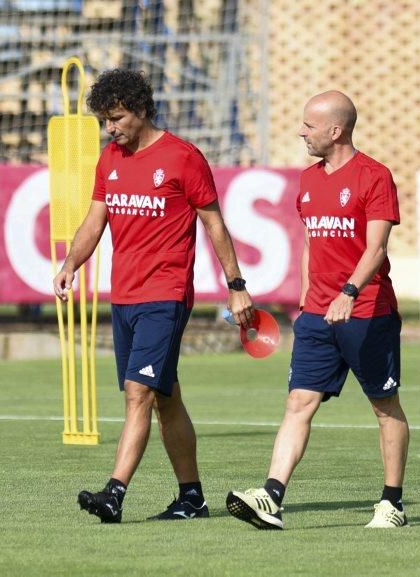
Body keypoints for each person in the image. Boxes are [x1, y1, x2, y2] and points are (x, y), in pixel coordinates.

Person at [53, 69, 254, 523]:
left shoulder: (183, 158)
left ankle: (114, 492)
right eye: (105, 120)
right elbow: (93, 221)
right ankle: (192, 497)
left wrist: (236, 286)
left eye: (118, 118)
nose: (111, 128)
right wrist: (70, 265)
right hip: (123, 297)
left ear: (142, 110)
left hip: (166, 295)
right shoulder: (109, 158)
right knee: (166, 397)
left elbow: (214, 224)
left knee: (137, 392)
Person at [226, 90, 409, 530]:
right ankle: (272, 496)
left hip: (367, 313)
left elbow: (377, 247)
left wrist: (348, 292)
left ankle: (392, 504)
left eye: (309, 125)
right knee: (298, 402)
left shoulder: (375, 177)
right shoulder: (308, 181)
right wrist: (308, 302)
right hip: (317, 317)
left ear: (335, 130)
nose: (301, 132)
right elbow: (312, 244)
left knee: (385, 407)